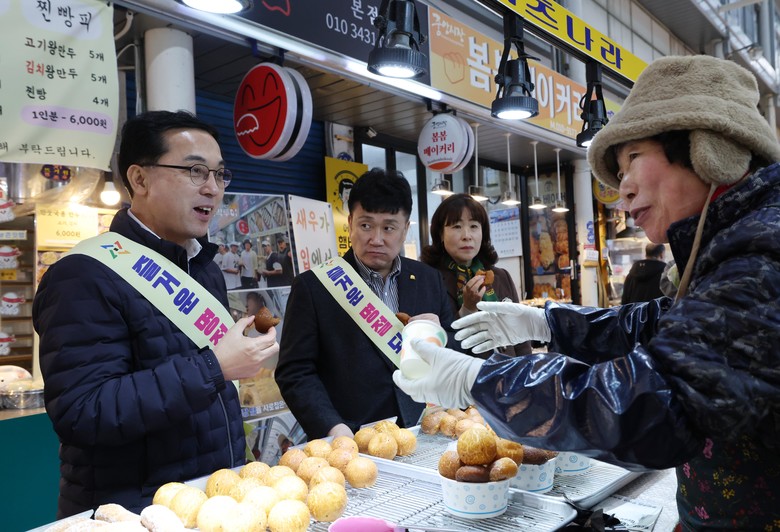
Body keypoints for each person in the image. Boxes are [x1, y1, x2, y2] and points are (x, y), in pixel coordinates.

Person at [392, 56, 780, 530]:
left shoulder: (763, 253)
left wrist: (481, 381)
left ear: (710, 149)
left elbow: (653, 402)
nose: (623, 189)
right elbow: (656, 325)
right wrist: (546, 321)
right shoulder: (732, 241)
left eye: (633, 158)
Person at [33, 110, 280, 517]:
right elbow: (83, 413)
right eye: (195, 171)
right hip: (133, 513)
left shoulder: (205, 268)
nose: (213, 188)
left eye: (220, 174)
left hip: (212, 502)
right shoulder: (82, 275)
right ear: (140, 179)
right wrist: (214, 367)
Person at [275, 168, 456, 440]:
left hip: (426, 431)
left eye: (389, 228)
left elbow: (454, 350)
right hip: (353, 439)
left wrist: (440, 336)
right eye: (366, 225)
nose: (376, 239)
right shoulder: (314, 286)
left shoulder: (428, 279)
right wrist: (333, 428)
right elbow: (295, 372)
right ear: (350, 223)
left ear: (405, 229)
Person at [420, 193, 531, 358]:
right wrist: (467, 309)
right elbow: (435, 344)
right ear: (441, 234)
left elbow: (521, 337)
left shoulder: (501, 277)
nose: (467, 235)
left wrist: (527, 368)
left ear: (483, 232)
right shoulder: (429, 280)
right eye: (456, 226)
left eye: (473, 226)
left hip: (508, 369)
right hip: (464, 371)